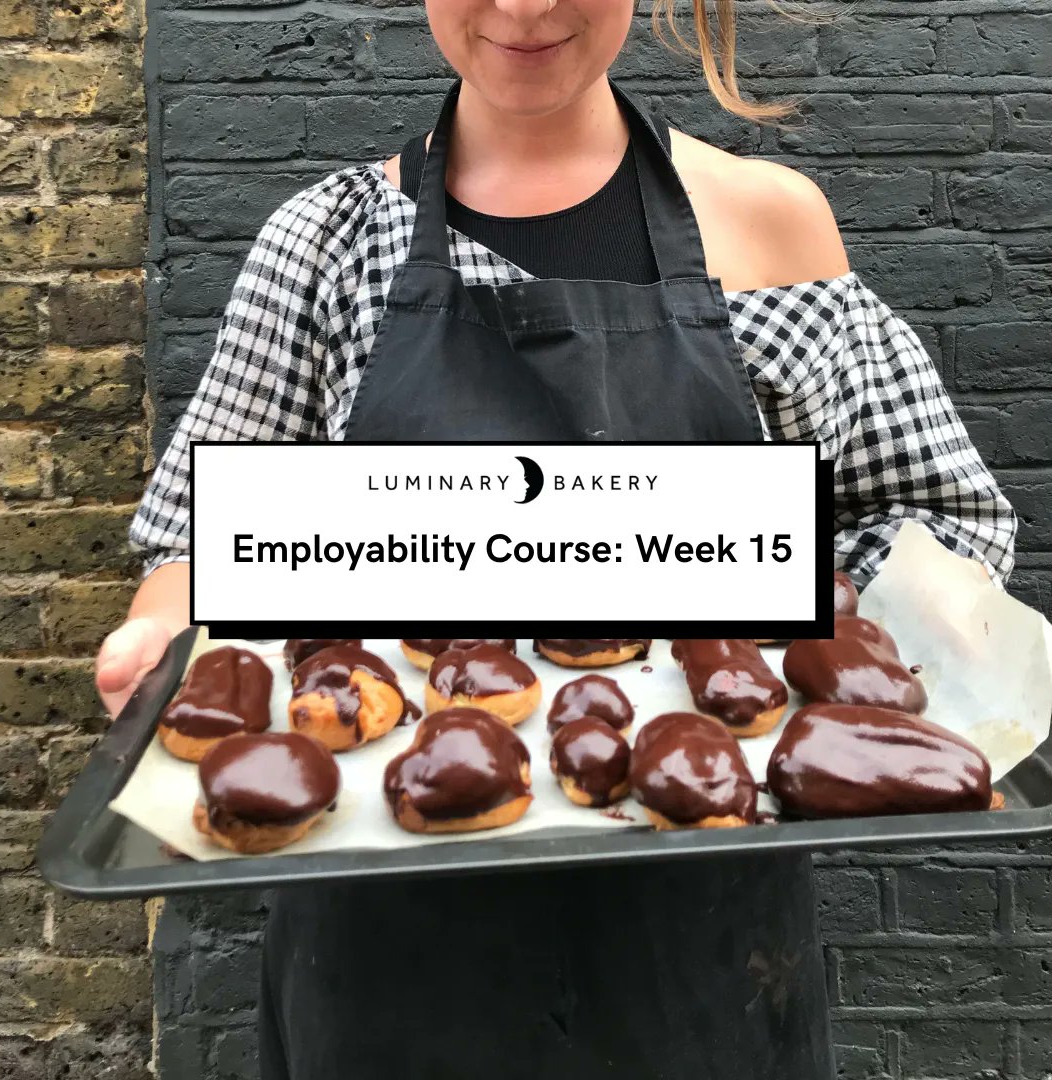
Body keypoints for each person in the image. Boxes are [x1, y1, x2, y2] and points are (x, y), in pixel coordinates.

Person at [99, 1, 1018, 1076]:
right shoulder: (325, 242)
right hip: (387, 957)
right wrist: (159, 639)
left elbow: (935, 512)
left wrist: (798, 611)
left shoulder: (772, 223)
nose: (525, 6)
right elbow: (199, 544)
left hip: (704, 944)